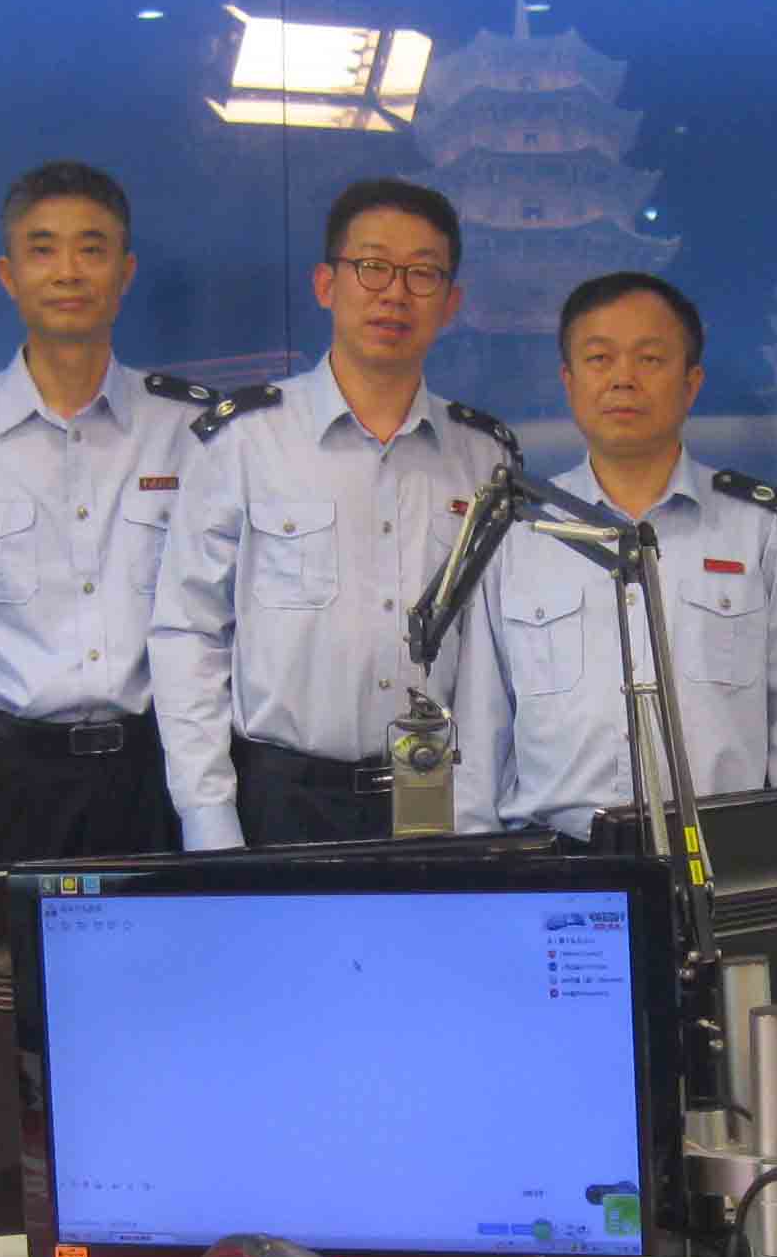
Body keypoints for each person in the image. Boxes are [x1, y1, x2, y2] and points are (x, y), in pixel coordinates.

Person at [150, 178, 521, 849]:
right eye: (372, 266)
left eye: (422, 274)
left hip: (435, 794)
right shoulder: (245, 440)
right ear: (326, 285)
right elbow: (190, 631)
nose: (395, 293)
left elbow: (491, 656)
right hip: (280, 798)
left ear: (451, 303)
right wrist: (208, 815)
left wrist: (473, 817)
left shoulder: (484, 457)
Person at [452, 274, 777, 838]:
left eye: (650, 359)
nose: (623, 379)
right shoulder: (519, 532)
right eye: (599, 359)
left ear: (691, 383)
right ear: (569, 381)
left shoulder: (762, 531)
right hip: (559, 862)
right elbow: (480, 733)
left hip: (721, 858)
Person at [0, 162, 199, 868]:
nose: (68, 272)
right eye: (43, 249)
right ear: (8, 275)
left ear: (125, 273)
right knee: (6, 948)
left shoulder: (188, 430)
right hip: (5, 783)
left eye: (91, 249)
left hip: (156, 775)